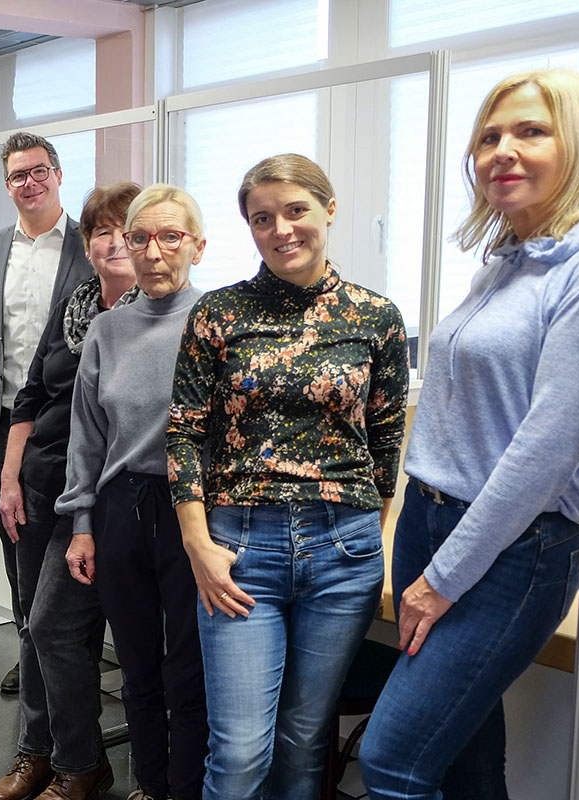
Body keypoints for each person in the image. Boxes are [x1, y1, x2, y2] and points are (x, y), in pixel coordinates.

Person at [360, 69, 579, 800]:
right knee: (466, 756)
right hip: (435, 517)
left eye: (530, 131)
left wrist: (443, 578)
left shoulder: (575, 272)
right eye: (489, 137)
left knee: (392, 758)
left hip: (515, 546)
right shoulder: (504, 265)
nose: (502, 151)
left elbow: (547, 449)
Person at [165, 154, 409, 798]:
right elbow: (185, 432)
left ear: (329, 210)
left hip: (344, 551)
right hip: (239, 550)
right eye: (262, 218)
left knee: (304, 742)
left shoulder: (375, 317)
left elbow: (385, 438)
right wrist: (198, 544)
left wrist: (366, 533)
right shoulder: (219, 314)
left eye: (296, 211)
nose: (282, 230)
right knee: (242, 750)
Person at [0, 182, 140, 800]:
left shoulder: (153, 316)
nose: (116, 241)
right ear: (87, 242)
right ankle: (39, 753)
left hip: (101, 496)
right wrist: (8, 477)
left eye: (128, 229)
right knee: (32, 626)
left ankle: (80, 761)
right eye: (102, 230)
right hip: (39, 482)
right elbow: (30, 396)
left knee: (52, 625)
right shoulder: (76, 303)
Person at [56, 184, 209, 800]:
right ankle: (149, 783)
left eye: (170, 237)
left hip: (194, 512)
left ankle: (188, 787)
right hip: (122, 511)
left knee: (189, 670)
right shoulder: (106, 330)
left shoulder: (218, 322)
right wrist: (82, 524)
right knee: (138, 668)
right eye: (139, 238)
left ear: (197, 245)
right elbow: (86, 437)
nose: (152, 251)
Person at [0, 131, 94, 694]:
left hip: (71, 426)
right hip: (3, 426)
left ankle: (68, 657)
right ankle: (30, 652)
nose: (29, 183)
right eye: (18, 176)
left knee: (68, 552)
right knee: (18, 551)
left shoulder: (93, 245)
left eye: (39, 171)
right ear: (7, 184)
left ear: (58, 174)